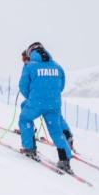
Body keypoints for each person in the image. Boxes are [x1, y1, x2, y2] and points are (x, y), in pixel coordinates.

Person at [18, 42, 73, 172]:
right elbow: (61, 86)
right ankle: (64, 159)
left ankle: (29, 147)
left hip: (36, 103)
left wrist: (32, 96)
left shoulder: (29, 66)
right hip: (54, 104)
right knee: (56, 131)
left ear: (31, 52)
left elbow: (23, 87)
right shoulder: (57, 67)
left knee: (25, 119)